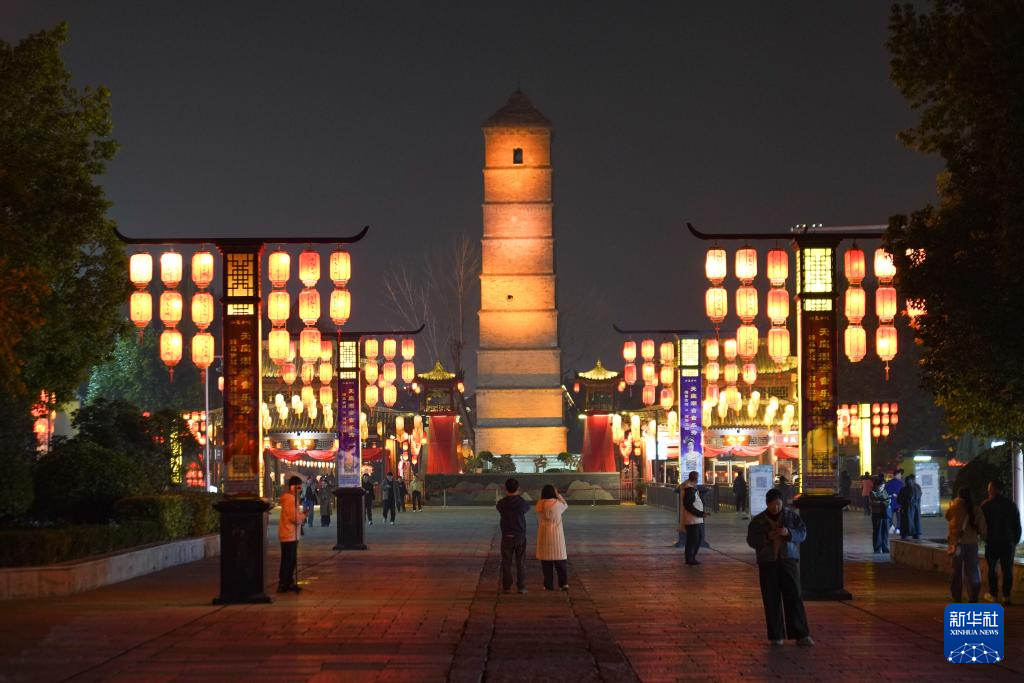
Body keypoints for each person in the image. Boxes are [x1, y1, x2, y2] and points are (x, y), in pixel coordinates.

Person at [746, 488, 813, 647]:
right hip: (767, 562)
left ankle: (801, 634)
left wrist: (788, 532)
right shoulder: (759, 520)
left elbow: (802, 533)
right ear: (767, 504)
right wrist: (766, 537)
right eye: (772, 504)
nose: (775, 507)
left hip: (788, 560)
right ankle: (776, 635)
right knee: (771, 598)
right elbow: (751, 540)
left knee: (794, 596)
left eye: (778, 504)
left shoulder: (791, 516)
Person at [981, 479, 1022, 604]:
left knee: (992, 568)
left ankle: (993, 594)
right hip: (1008, 542)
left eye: (989, 489)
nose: (988, 491)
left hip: (992, 542)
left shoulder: (986, 506)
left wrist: (984, 538)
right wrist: (1014, 541)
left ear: (994, 489)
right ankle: (1006, 596)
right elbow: (1017, 526)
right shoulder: (1011, 505)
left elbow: (982, 526)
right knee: (1007, 569)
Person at [946, 487, 987, 603]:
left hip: (957, 545)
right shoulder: (976, 510)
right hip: (972, 544)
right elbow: (982, 529)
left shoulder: (954, 507)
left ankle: (956, 596)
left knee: (956, 571)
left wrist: (955, 502)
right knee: (973, 571)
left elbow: (947, 517)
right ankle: (973, 596)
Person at [496, 477, 531, 594]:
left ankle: (506, 586)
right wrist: (518, 495)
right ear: (518, 488)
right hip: (519, 535)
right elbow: (527, 508)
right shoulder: (521, 502)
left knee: (506, 562)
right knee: (521, 562)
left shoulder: (502, 503)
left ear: (505, 488)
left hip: (506, 535)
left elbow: (499, 507)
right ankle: (521, 586)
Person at [535, 484, 569, 591]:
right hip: (557, 536)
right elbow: (566, 505)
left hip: (544, 535)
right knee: (560, 562)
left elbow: (537, 508)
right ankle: (563, 584)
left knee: (546, 563)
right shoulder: (558, 504)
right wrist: (558, 495)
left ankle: (548, 585)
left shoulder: (540, 504)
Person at [277, 475, 304, 593]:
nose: (300, 490)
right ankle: (284, 582)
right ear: (293, 487)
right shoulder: (290, 499)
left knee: (291, 559)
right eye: (299, 488)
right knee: (288, 559)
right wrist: (303, 516)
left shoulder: (292, 499)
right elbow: (294, 517)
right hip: (289, 534)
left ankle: (288, 581)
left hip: (290, 534)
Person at [679, 471, 707, 565]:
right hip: (692, 519)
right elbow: (688, 505)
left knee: (696, 538)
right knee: (694, 540)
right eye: (697, 477)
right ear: (695, 478)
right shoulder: (689, 489)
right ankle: (690, 558)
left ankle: (691, 558)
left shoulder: (691, 488)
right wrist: (700, 513)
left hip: (695, 519)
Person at [869, 476, 891, 553]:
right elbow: (873, 502)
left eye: (883, 486)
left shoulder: (884, 491)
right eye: (881, 486)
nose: (882, 488)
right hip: (877, 514)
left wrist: (882, 501)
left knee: (885, 531)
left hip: (885, 514)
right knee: (877, 532)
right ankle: (877, 548)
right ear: (877, 485)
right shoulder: (872, 493)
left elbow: (888, 501)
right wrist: (883, 502)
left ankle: (885, 547)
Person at [897, 473, 921, 539]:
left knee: (905, 526)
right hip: (916, 509)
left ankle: (905, 537)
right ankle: (916, 536)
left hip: (906, 510)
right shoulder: (917, 488)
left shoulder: (903, 489)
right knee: (916, 523)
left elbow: (899, 500)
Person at [884, 469, 904, 535]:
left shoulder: (888, 483)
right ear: (897, 475)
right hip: (898, 503)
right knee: (899, 517)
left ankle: (891, 527)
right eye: (900, 475)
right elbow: (902, 493)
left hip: (890, 503)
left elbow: (885, 492)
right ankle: (898, 528)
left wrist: (891, 495)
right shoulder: (901, 483)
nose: (901, 476)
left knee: (890, 516)